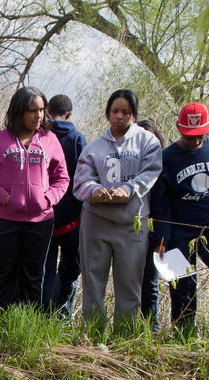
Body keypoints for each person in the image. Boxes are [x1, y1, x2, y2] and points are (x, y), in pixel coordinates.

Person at [73, 89, 162, 333]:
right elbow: (80, 181)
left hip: (132, 222)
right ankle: (93, 335)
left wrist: (129, 189)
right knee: (92, 281)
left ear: (133, 114)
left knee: (129, 284)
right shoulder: (94, 147)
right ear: (108, 113)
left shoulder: (147, 142)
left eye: (125, 112)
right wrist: (95, 190)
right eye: (115, 111)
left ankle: (124, 337)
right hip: (96, 221)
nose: (119, 117)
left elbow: (151, 172)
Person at [149, 101, 209, 332]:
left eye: (199, 136)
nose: (194, 141)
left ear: (207, 130)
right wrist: (161, 241)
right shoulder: (167, 157)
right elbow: (160, 205)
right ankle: (184, 332)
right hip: (179, 230)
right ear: (179, 129)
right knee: (182, 285)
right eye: (189, 136)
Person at [0, 86, 69, 311]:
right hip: (5, 221)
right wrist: (5, 198)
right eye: (32, 110)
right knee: (7, 276)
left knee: (33, 277)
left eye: (41, 110)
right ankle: (6, 329)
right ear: (19, 112)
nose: (38, 116)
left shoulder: (50, 140)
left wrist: (47, 199)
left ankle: (27, 331)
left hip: (40, 222)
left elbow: (62, 178)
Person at [41, 94, 86, 318]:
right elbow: (84, 177)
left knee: (45, 272)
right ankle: (61, 315)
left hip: (44, 216)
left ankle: (43, 315)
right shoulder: (78, 139)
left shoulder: (41, 136)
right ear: (69, 114)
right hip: (73, 221)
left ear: (47, 111)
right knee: (69, 272)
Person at [135, 118, 166, 330]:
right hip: (132, 227)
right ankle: (127, 328)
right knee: (130, 283)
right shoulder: (131, 167)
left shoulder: (165, 165)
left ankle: (151, 329)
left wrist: (163, 236)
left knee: (150, 283)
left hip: (157, 229)